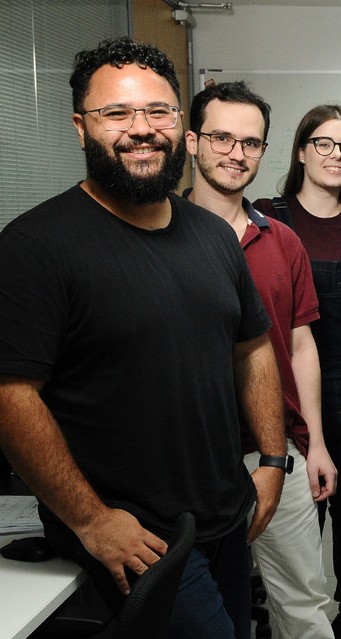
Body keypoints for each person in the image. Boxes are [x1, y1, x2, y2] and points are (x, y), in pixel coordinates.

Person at [0, 38, 286, 638]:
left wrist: (271, 460)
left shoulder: (211, 235)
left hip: (226, 515)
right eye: (116, 114)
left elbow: (252, 347)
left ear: (180, 125)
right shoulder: (34, 248)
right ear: (81, 128)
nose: (142, 129)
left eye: (158, 111)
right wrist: (91, 520)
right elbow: (11, 395)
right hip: (138, 539)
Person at [184, 81, 338, 639]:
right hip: (192, 462)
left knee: (305, 603)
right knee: (206, 609)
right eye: (222, 138)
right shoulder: (156, 234)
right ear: (191, 141)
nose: (235, 152)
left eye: (250, 142)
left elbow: (300, 345)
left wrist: (314, 441)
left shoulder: (283, 242)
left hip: (277, 455)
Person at [254, 104, 341, 639]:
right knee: (295, 540)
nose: (337, 156)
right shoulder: (270, 216)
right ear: (302, 151)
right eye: (325, 144)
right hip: (287, 398)